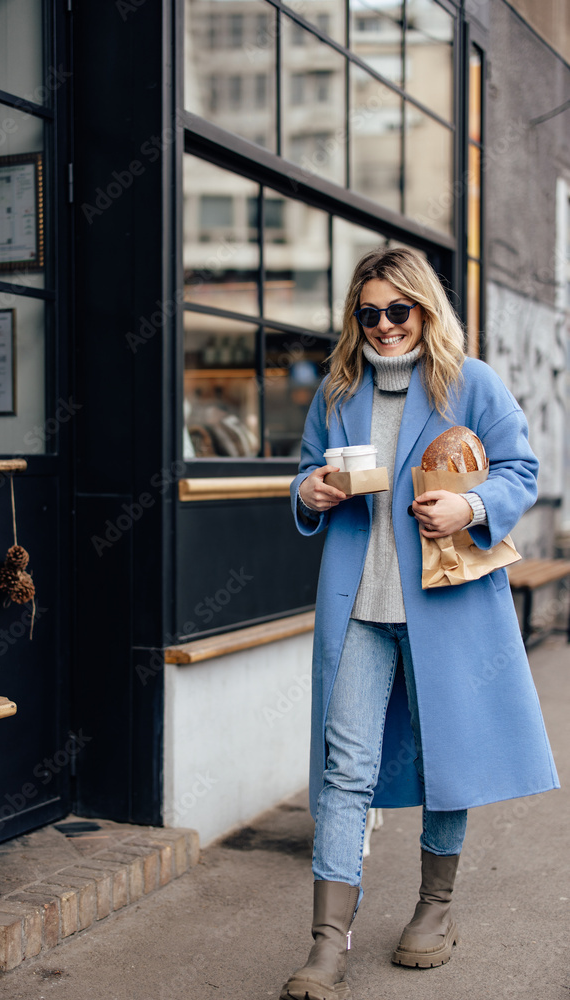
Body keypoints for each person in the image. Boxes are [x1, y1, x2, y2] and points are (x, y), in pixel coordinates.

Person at [280, 247, 559, 1000]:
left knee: (448, 757)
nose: (382, 326)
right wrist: (307, 494)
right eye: (367, 314)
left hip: (446, 606)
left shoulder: (468, 382)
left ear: (423, 310)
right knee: (344, 769)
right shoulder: (337, 391)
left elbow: (520, 469)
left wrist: (468, 507)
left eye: (396, 311)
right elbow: (304, 476)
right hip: (359, 610)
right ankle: (325, 946)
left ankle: (434, 910)